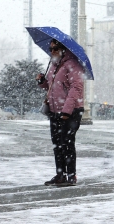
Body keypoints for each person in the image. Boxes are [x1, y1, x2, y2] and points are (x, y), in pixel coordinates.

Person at [36, 39, 85, 187]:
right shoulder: (53, 66)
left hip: (71, 111)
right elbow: (51, 87)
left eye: (55, 49)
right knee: (57, 144)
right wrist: (42, 82)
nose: (52, 52)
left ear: (63, 50)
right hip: (55, 111)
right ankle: (60, 174)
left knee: (67, 143)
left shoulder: (73, 65)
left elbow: (75, 88)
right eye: (51, 49)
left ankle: (71, 174)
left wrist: (67, 111)